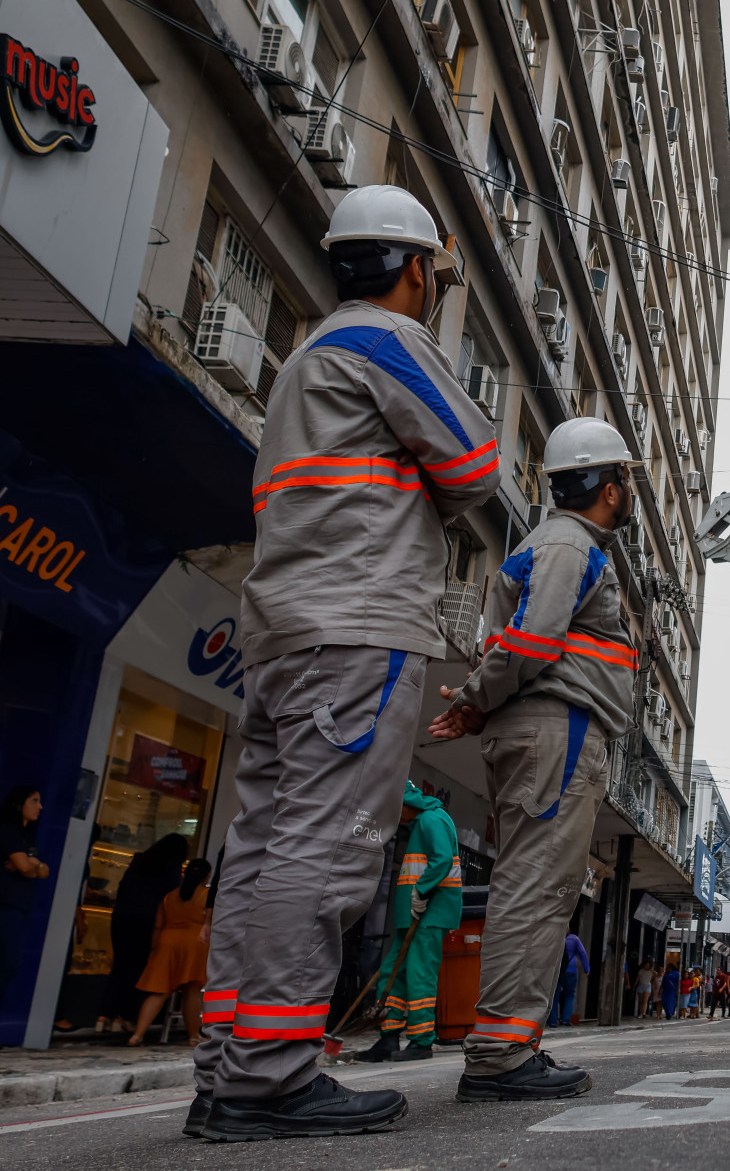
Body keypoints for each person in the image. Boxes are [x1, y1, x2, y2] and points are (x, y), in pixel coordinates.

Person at [192, 186, 498, 1142]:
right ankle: (272, 1077)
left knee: (261, 849)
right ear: (415, 269)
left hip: (285, 630)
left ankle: (228, 1066)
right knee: (321, 852)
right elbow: (478, 466)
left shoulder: (303, 362)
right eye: (434, 274)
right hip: (356, 628)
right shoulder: (387, 342)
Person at [429, 415, 641, 1101]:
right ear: (608, 487)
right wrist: (472, 699)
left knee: (537, 883)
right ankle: (499, 1053)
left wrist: (479, 701)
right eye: (627, 477)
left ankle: (511, 1042)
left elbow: (520, 642)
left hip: (545, 727)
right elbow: (529, 644)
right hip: (558, 730)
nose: (630, 488)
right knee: (537, 886)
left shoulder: (551, 545)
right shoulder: (567, 547)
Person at [356, 783, 463, 1063]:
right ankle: (388, 1037)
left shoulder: (431, 819)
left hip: (429, 914)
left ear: (405, 803)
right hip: (415, 914)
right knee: (394, 972)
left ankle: (421, 1041)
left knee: (419, 976)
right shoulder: (421, 822)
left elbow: (441, 861)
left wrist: (422, 891)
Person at [103, 833, 188, 1035]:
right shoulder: (172, 867)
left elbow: (122, 888)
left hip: (122, 917)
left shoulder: (140, 860)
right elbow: (170, 897)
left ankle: (104, 1015)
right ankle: (124, 1017)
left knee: (119, 966)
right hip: (147, 921)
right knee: (138, 969)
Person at [129, 858, 214, 1045]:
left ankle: (137, 1035)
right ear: (207, 876)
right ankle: (193, 1036)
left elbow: (158, 926)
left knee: (160, 991)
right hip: (196, 944)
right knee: (191, 991)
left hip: (167, 942)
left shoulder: (170, 896)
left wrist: (155, 948)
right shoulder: (207, 895)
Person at [0, 787, 50, 1001]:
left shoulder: (27, 835)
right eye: (35, 801)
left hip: (19, 906)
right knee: (9, 962)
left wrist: (34, 863)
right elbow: (26, 869)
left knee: (9, 963)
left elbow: (44, 872)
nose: (40, 806)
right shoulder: (8, 830)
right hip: (5, 904)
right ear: (20, 804)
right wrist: (31, 866)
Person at [550, 929, 591, 1028]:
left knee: (553, 997)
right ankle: (565, 1020)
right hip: (570, 970)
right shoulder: (574, 939)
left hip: (555, 970)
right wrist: (587, 968)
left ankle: (553, 1021)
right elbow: (582, 953)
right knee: (570, 995)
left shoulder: (554, 937)